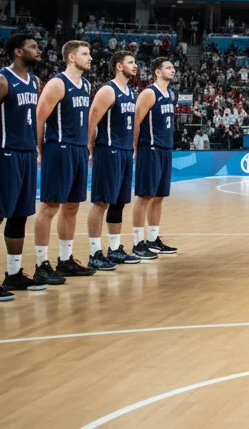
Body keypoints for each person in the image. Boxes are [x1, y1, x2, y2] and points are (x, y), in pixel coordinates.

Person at [0, 32, 49, 303]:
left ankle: (14, 274)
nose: (38, 51)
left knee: (19, 216)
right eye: (33, 47)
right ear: (18, 51)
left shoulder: (34, 81)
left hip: (26, 154)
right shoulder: (0, 81)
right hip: (4, 153)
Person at [35, 40, 97, 283]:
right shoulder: (57, 83)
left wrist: (87, 147)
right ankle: (41, 264)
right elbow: (39, 119)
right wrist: (41, 151)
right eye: (85, 54)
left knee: (72, 206)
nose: (90, 57)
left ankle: (65, 259)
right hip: (59, 148)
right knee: (50, 207)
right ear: (71, 57)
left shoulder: (86, 85)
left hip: (79, 149)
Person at [86, 51, 143, 270]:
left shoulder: (130, 92)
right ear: (119, 66)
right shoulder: (108, 90)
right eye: (130, 62)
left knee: (119, 202)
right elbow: (91, 122)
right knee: (101, 202)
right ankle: (94, 253)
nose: (135, 66)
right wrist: (91, 150)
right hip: (108, 150)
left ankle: (115, 248)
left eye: (135, 62)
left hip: (125, 151)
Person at [132, 57, 179, 259]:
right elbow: (136, 122)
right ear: (157, 72)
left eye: (173, 67)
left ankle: (153, 239)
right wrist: (135, 148)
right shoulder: (149, 93)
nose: (173, 70)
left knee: (159, 197)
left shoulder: (170, 94)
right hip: (149, 148)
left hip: (165, 149)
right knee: (145, 196)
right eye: (168, 67)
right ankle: (137, 242)